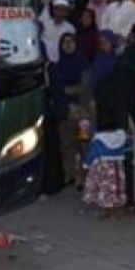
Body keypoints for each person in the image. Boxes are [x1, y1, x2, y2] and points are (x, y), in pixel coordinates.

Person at [49, 32, 90, 188]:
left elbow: (85, 88)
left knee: (84, 144)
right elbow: (54, 90)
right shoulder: (56, 66)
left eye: (71, 41)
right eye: (64, 42)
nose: (68, 45)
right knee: (67, 145)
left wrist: (66, 91)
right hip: (64, 112)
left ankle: (84, 177)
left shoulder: (83, 64)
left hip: (82, 112)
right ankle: (70, 175)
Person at [40, 0, 75, 64]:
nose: (61, 13)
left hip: (62, 63)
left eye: (64, 10)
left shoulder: (70, 28)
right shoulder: (44, 25)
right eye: (58, 10)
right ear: (54, 10)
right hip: (45, 62)